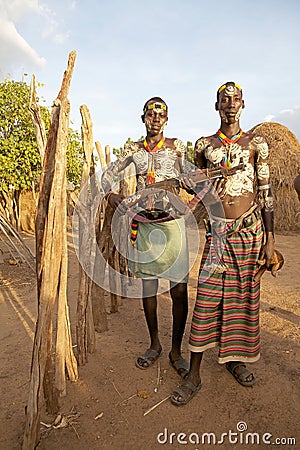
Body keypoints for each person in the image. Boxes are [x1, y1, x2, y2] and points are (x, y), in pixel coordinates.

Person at [171, 81, 275, 406]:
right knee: (207, 296)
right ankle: (194, 374)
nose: (230, 104)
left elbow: (266, 193)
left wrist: (270, 240)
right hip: (218, 233)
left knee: (243, 299)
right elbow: (201, 191)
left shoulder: (257, 145)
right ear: (216, 105)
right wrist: (192, 184)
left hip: (250, 231)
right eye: (224, 99)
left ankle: (235, 360)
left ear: (244, 103)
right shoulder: (204, 146)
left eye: (235, 98)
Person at [102, 97, 192, 379]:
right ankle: (154, 344)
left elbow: (196, 179)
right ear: (143, 118)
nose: (156, 118)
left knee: (179, 291)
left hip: (173, 226)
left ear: (167, 119)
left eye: (161, 114)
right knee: (148, 289)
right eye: (151, 114)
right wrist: (111, 195)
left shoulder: (177, 148)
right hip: (144, 228)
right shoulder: (133, 150)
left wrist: (193, 202)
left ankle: (176, 351)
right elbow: (106, 176)